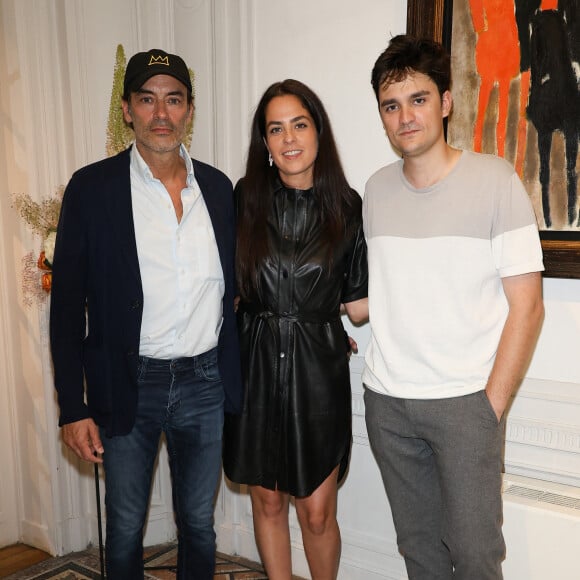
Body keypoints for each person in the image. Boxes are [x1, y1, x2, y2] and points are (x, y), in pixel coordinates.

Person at [49, 48, 242, 579]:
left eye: (173, 100)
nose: (162, 113)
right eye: (148, 99)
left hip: (204, 382)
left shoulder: (220, 191)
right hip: (126, 380)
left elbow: (238, 289)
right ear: (128, 109)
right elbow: (66, 308)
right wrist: (73, 406)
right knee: (127, 523)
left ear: (190, 109)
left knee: (199, 525)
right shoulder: (91, 190)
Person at [362, 35, 544, 579]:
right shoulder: (374, 190)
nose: (405, 117)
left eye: (418, 99)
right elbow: (393, 288)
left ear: (445, 101)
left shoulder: (495, 181)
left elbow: (528, 307)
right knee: (420, 555)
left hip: (466, 405)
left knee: (475, 557)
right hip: (388, 405)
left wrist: (489, 407)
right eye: (391, 106)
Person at [223, 79, 368, 579]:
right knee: (267, 502)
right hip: (256, 364)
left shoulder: (349, 208)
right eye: (275, 129)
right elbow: (222, 284)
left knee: (317, 511)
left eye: (299, 125)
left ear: (318, 132)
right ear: (264, 142)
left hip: (316, 373)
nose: (289, 139)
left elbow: (360, 303)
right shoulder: (243, 199)